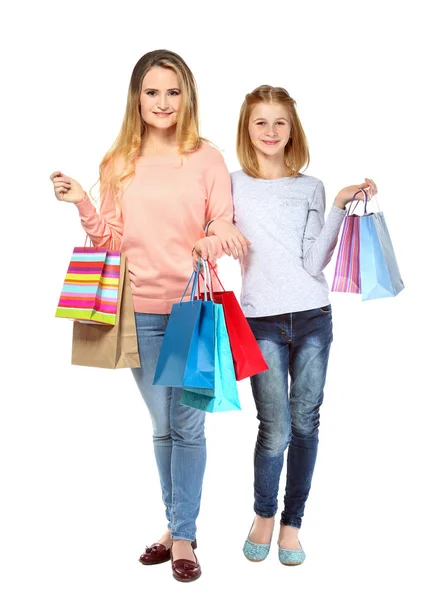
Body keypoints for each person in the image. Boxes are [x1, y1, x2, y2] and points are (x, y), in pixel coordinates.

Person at [50, 49, 233, 583]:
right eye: (152, 92)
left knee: (186, 423)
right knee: (161, 425)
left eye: (173, 91)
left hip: (191, 311)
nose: (162, 102)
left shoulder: (206, 158)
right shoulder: (118, 161)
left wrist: (211, 239)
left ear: (187, 97)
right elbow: (109, 238)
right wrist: (83, 201)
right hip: (139, 311)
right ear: (136, 97)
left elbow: (223, 222)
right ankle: (179, 526)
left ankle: (182, 535)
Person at [201, 85, 377, 566]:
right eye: (261, 122)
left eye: (280, 122)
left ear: (292, 129)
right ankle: (263, 514)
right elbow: (212, 230)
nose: (271, 131)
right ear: (247, 129)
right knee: (274, 426)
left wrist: (339, 204)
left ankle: (292, 522)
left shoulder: (311, 187)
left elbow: (314, 261)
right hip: (260, 319)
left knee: (305, 424)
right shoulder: (232, 185)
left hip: (314, 317)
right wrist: (216, 233)